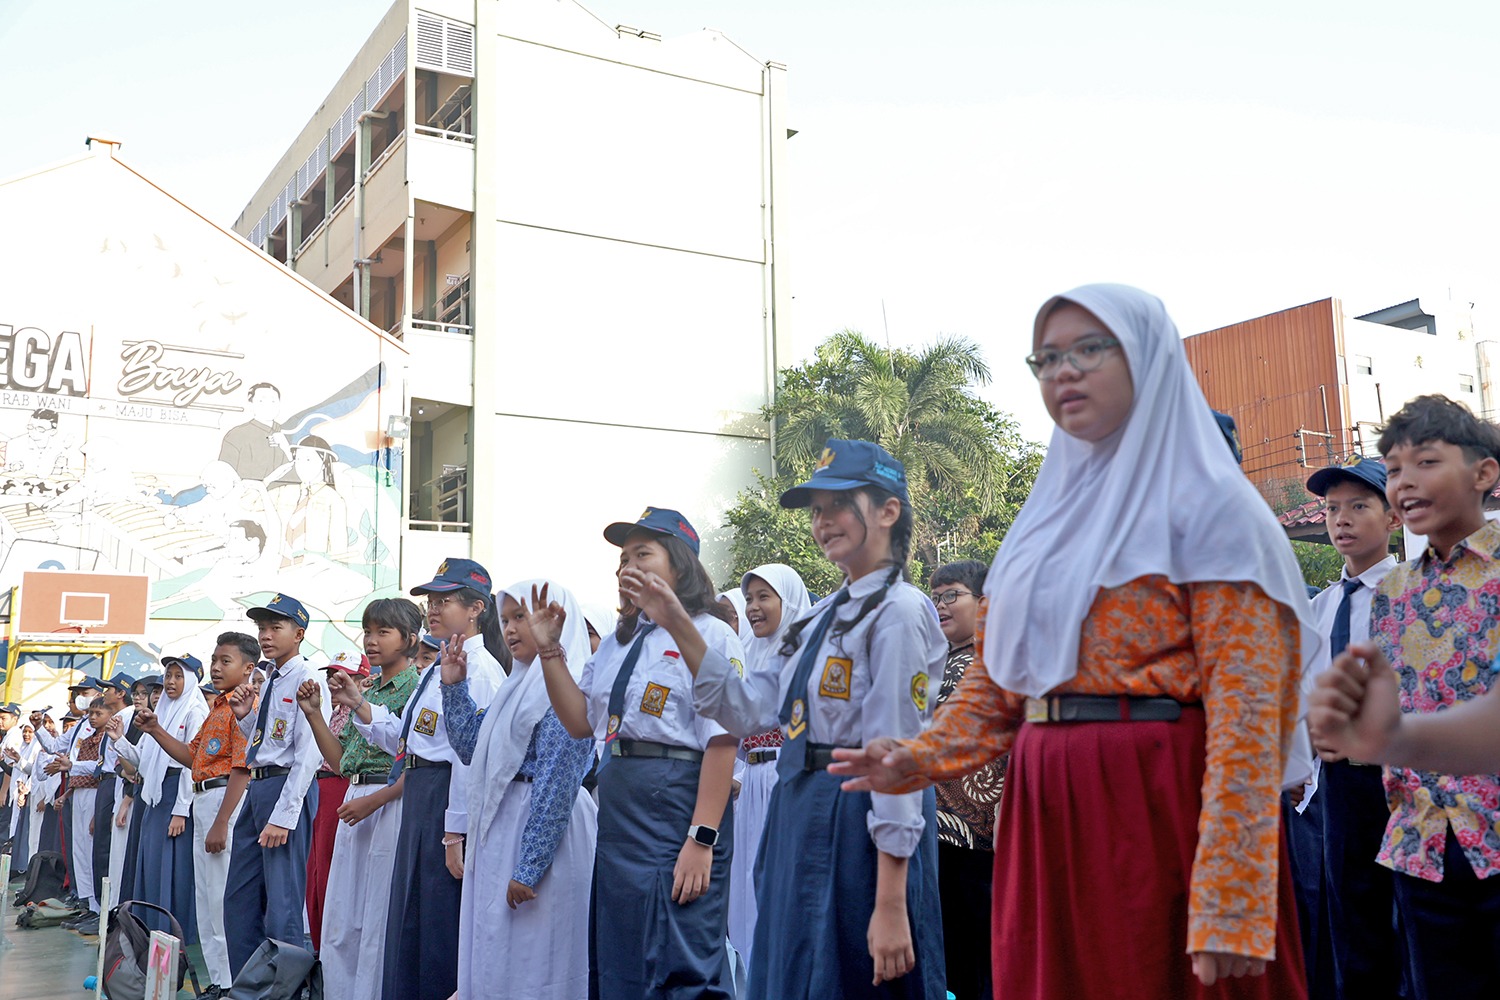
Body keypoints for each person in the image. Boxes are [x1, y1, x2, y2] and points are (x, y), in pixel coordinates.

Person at [830, 285, 1313, 999]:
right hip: (1044, 807)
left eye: (1089, 349)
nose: (1064, 371)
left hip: (1156, 801)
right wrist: (918, 757)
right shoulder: (1043, 523)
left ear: (1148, 360)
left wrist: (1232, 890)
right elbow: (1000, 685)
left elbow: (1249, 715)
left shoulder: (1213, 510)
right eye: (1047, 357)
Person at [632, 448, 946, 998]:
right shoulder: (817, 619)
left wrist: (892, 899)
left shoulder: (900, 609)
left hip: (861, 812)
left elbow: (900, 753)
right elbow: (746, 709)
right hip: (800, 806)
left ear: (889, 512)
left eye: (839, 504)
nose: (823, 521)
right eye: (816, 509)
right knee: (794, 969)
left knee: (858, 973)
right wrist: (680, 623)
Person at [1310, 394, 1500, 999]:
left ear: (1484, 473)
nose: (1405, 482)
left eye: (1425, 462)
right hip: (1419, 837)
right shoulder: (1396, 593)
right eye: (1393, 470)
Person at [531, 508, 742, 1000]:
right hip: (621, 814)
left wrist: (702, 838)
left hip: (678, 808)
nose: (626, 566)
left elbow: (723, 738)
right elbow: (581, 722)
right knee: (621, 951)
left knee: (680, 954)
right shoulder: (619, 643)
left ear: (681, 565)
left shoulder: (711, 634)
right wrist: (550, 654)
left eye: (643, 554)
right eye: (623, 558)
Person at [339, 558, 505, 1000]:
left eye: (445, 600)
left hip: (443, 795)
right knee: (411, 917)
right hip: (420, 790)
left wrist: (455, 831)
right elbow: (411, 736)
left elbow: (472, 756)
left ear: (476, 608)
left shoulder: (482, 669)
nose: (433, 608)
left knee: (437, 923)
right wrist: (360, 705)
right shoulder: (439, 664)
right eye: (431, 600)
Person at [443, 579, 597, 1000]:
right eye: (506, 619)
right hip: (505, 823)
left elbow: (557, 783)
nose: (509, 629)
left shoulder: (567, 687)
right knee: (496, 949)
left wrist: (529, 867)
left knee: (536, 952)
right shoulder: (517, 686)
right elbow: (475, 748)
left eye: (521, 618)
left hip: (544, 833)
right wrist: (454, 687)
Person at [1294, 457, 1403, 1000]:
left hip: (1404, 784)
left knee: (1409, 921)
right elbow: (1299, 700)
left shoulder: (1413, 597)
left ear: (1394, 518)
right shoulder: (1318, 609)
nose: (1342, 519)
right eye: (1332, 508)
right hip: (1338, 788)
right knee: (1350, 926)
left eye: (1359, 506)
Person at [296, 601, 420, 1000]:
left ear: (411, 639)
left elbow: (420, 764)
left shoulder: (415, 689)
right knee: (342, 915)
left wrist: (374, 800)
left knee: (376, 916)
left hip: (388, 800)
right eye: (368, 631)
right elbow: (340, 761)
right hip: (355, 796)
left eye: (384, 632)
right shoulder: (369, 689)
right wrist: (315, 715)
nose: (371, 640)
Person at [135, 633, 257, 997]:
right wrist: (156, 730)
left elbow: (242, 766)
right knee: (205, 896)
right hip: (205, 796)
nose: (216, 668)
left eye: (225, 661)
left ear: (248, 669)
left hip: (225, 800)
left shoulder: (244, 708)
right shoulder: (218, 708)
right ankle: (219, 979)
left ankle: (233, 980)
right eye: (214, 660)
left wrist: (221, 821)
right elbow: (193, 757)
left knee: (221, 895)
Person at [224, 594, 329, 979]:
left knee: (283, 902)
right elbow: (268, 745)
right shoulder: (271, 679)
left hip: (287, 791)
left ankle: (285, 986)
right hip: (260, 788)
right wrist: (245, 719)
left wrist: (285, 817)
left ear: (299, 633)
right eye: (262, 629)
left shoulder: (307, 678)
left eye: (275, 628)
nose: (266, 636)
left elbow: (308, 755)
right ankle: (249, 982)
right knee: (240, 897)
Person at [725, 564, 811, 971]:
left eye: (764, 597)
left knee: (784, 889)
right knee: (747, 890)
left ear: (788, 601)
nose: (753, 607)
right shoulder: (748, 655)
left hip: (787, 781)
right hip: (753, 787)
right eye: (749, 599)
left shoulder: (804, 658)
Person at [927, 558, 1005, 1000]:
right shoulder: (937, 661)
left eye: (951, 595)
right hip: (937, 833)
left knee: (986, 954)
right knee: (952, 955)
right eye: (936, 597)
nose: (940, 605)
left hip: (984, 836)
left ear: (984, 601)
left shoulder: (998, 658)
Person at [110, 655, 207, 948]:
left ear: (190, 680)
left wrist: (181, 810)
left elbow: (192, 764)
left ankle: (172, 936)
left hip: (175, 797)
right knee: (150, 867)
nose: (171, 682)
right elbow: (145, 760)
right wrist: (119, 740)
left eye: (178, 676)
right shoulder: (162, 709)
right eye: (168, 675)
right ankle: (149, 932)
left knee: (170, 870)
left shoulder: (195, 711)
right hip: (153, 796)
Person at [305, 650, 364, 953]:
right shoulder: (329, 710)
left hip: (341, 788)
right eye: (330, 674)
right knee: (314, 872)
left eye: (342, 675)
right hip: (320, 789)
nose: (332, 681)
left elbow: (343, 762)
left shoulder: (362, 712)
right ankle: (319, 945)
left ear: (360, 680)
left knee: (330, 870)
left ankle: (331, 948)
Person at [219, 382, 293, 481]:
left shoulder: (287, 432)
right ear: (251, 405)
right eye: (261, 401)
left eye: (273, 401)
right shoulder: (236, 435)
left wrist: (286, 449)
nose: (268, 406)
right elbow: (223, 474)